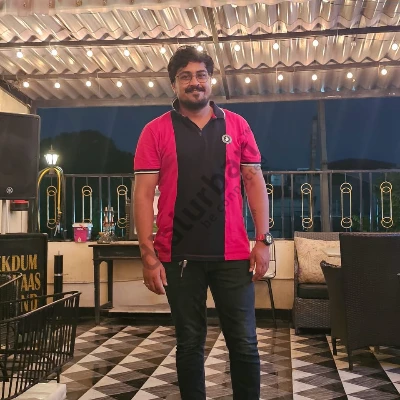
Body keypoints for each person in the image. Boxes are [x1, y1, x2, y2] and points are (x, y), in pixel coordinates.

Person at [133, 45, 272, 400]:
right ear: (174, 84)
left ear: (211, 80)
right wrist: (148, 255)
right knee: (189, 343)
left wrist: (263, 240)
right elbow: (143, 194)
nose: (194, 82)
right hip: (178, 256)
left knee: (244, 343)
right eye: (185, 77)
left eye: (201, 75)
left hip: (233, 255)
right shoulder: (154, 131)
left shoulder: (237, 125)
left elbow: (254, 182)